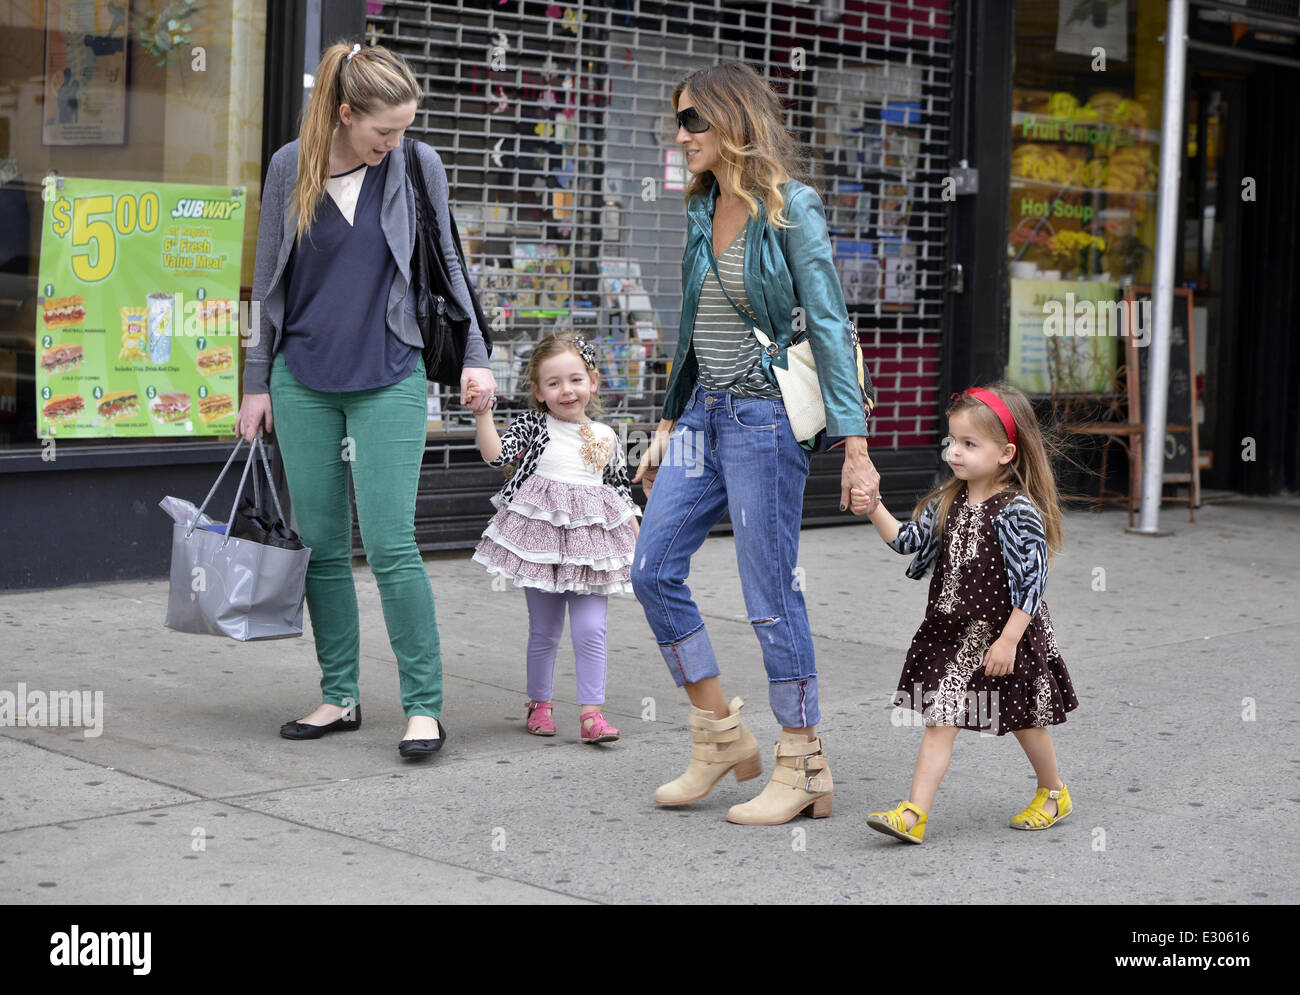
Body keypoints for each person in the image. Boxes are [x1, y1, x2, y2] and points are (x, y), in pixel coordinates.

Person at [630, 62, 880, 826]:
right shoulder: (703, 209)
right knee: (651, 567)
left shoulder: (790, 207)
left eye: (693, 122)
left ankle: (802, 760)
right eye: (678, 122)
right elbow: (694, 330)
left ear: (733, 120)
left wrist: (856, 443)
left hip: (766, 422)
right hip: (703, 415)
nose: (682, 137)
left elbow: (830, 324)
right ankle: (720, 736)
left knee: (770, 596)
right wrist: (667, 422)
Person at [236, 41, 497, 758]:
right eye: (383, 131)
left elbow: (450, 263)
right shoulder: (292, 164)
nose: (394, 142)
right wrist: (256, 381)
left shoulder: (417, 165)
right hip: (302, 381)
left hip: (389, 375)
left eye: (404, 128)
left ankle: (423, 706)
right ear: (346, 115)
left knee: (391, 546)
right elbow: (265, 283)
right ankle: (339, 695)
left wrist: (477, 359)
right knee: (319, 547)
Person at [852, 383, 1079, 843]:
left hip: (1005, 633)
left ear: (1006, 452)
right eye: (951, 441)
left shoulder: (1017, 511)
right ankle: (913, 814)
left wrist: (1011, 640)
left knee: (1025, 720)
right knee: (942, 717)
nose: (954, 452)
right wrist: (873, 505)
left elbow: (1033, 582)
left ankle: (1054, 791)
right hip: (953, 633)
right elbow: (907, 542)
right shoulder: (946, 500)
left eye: (969, 444)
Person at [467, 334, 640, 743]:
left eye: (576, 379)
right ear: (539, 392)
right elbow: (497, 456)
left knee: (591, 628)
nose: (567, 390)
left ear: (593, 381)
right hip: (540, 543)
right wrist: (483, 415)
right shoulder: (533, 425)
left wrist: (638, 534)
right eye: (554, 383)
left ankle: (591, 715)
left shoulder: (605, 434)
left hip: (591, 547)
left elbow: (618, 489)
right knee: (544, 630)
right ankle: (539, 703)